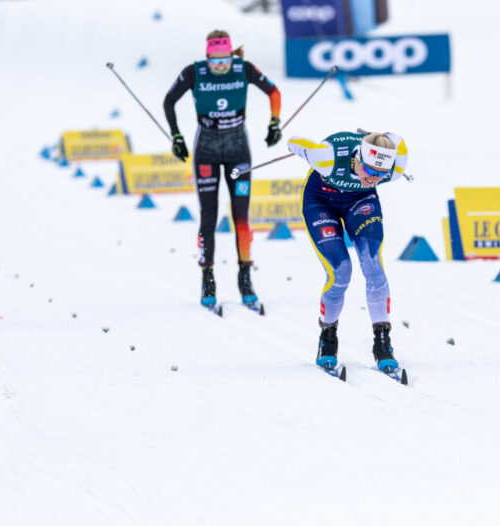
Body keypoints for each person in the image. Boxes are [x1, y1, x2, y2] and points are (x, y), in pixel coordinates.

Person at [163, 29, 282, 307]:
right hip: (206, 148)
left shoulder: (244, 69)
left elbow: (274, 92)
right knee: (208, 216)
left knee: (241, 213)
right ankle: (208, 280)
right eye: (214, 61)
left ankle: (245, 278)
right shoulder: (193, 73)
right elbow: (169, 101)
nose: (219, 66)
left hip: (238, 148)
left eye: (224, 60)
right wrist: (177, 136)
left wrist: (274, 122)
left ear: (231, 56)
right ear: (206, 58)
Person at [287, 130, 409, 372]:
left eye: (381, 175)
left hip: (360, 200)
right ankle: (328, 336)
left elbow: (399, 140)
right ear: (358, 159)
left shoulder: (394, 169)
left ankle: (382, 342)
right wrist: (299, 149)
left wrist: (379, 134)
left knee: (373, 267)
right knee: (341, 271)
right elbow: (294, 141)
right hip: (320, 201)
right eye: (370, 171)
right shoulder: (327, 157)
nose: (374, 178)